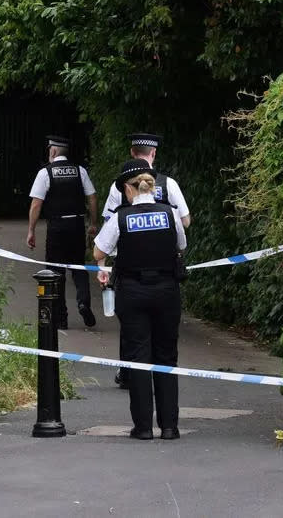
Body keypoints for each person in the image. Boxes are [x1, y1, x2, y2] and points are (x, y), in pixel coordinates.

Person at [93, 159, 186, 440]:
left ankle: (143, 427)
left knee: (138, 357)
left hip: (132, 292)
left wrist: (105, 263)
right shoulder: (170, 213)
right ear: (152, 187)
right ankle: (169, 426)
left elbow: (99, 252)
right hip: (167, 291)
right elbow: (181, 244)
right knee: (166, 356)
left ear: (128, 189)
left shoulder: (121, 217)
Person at [105, 133, 190, 388]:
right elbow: (185, 221)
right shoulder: (170, 184)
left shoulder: (118, 185)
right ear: (153, 154)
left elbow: (109, 223)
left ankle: (129, 372)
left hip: (128, 268)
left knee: (132, 327)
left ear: (133, 152)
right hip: (164, 270)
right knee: (164, 334)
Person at [27, 135, 98, 329]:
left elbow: (36, 204)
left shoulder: (45, 173)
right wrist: (93, 223)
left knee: (55, 271)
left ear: (53, 151)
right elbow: (92, 197)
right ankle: (83, 303)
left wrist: (31, 231)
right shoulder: (80, 171)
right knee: (79, 268)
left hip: (57, 227)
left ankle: (61, 317)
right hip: (76, 225)